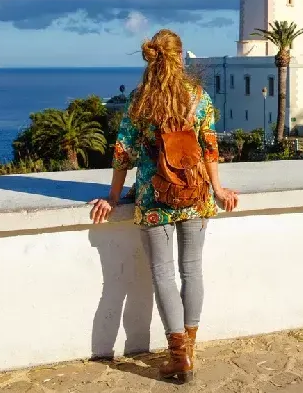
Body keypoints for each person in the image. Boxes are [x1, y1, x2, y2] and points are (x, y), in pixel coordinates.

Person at [89, 29, 238, 383]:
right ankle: (191, 347)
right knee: (192, 271)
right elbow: (210, 147)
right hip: (196, 193)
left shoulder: (142, 99)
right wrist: (217, 188)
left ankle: (179, 357)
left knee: (162, 274)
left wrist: (112, 196)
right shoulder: (198, 96)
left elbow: (123, 153)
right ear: (180, 57)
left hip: (155, 197)